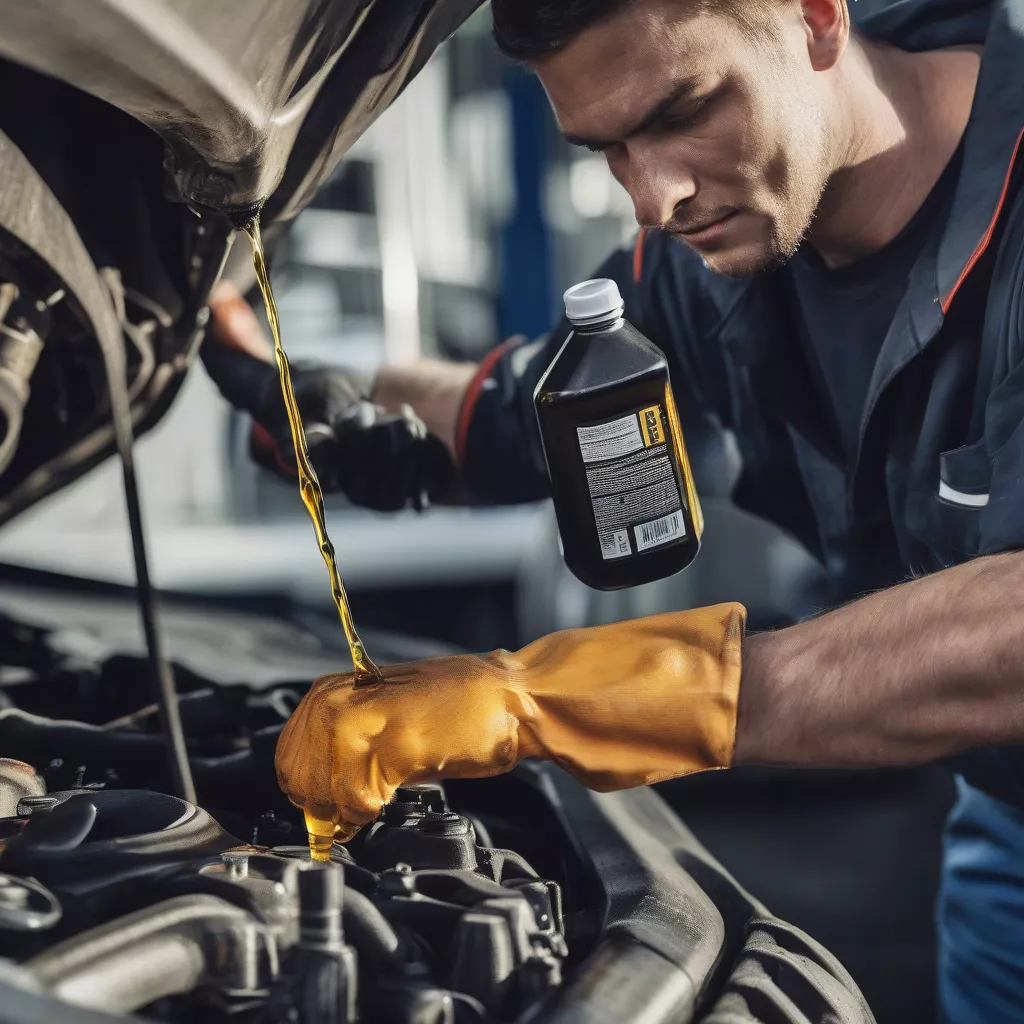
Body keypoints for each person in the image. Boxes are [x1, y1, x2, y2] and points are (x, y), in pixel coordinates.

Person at [209, 1, 1024, 1019]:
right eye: (609, 150)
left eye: (684, 109)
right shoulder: (713, 248)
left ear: (815, 18)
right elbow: (518, 410)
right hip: (1003, 826)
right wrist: (319, 402)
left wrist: (548, 699)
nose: (654, 197)